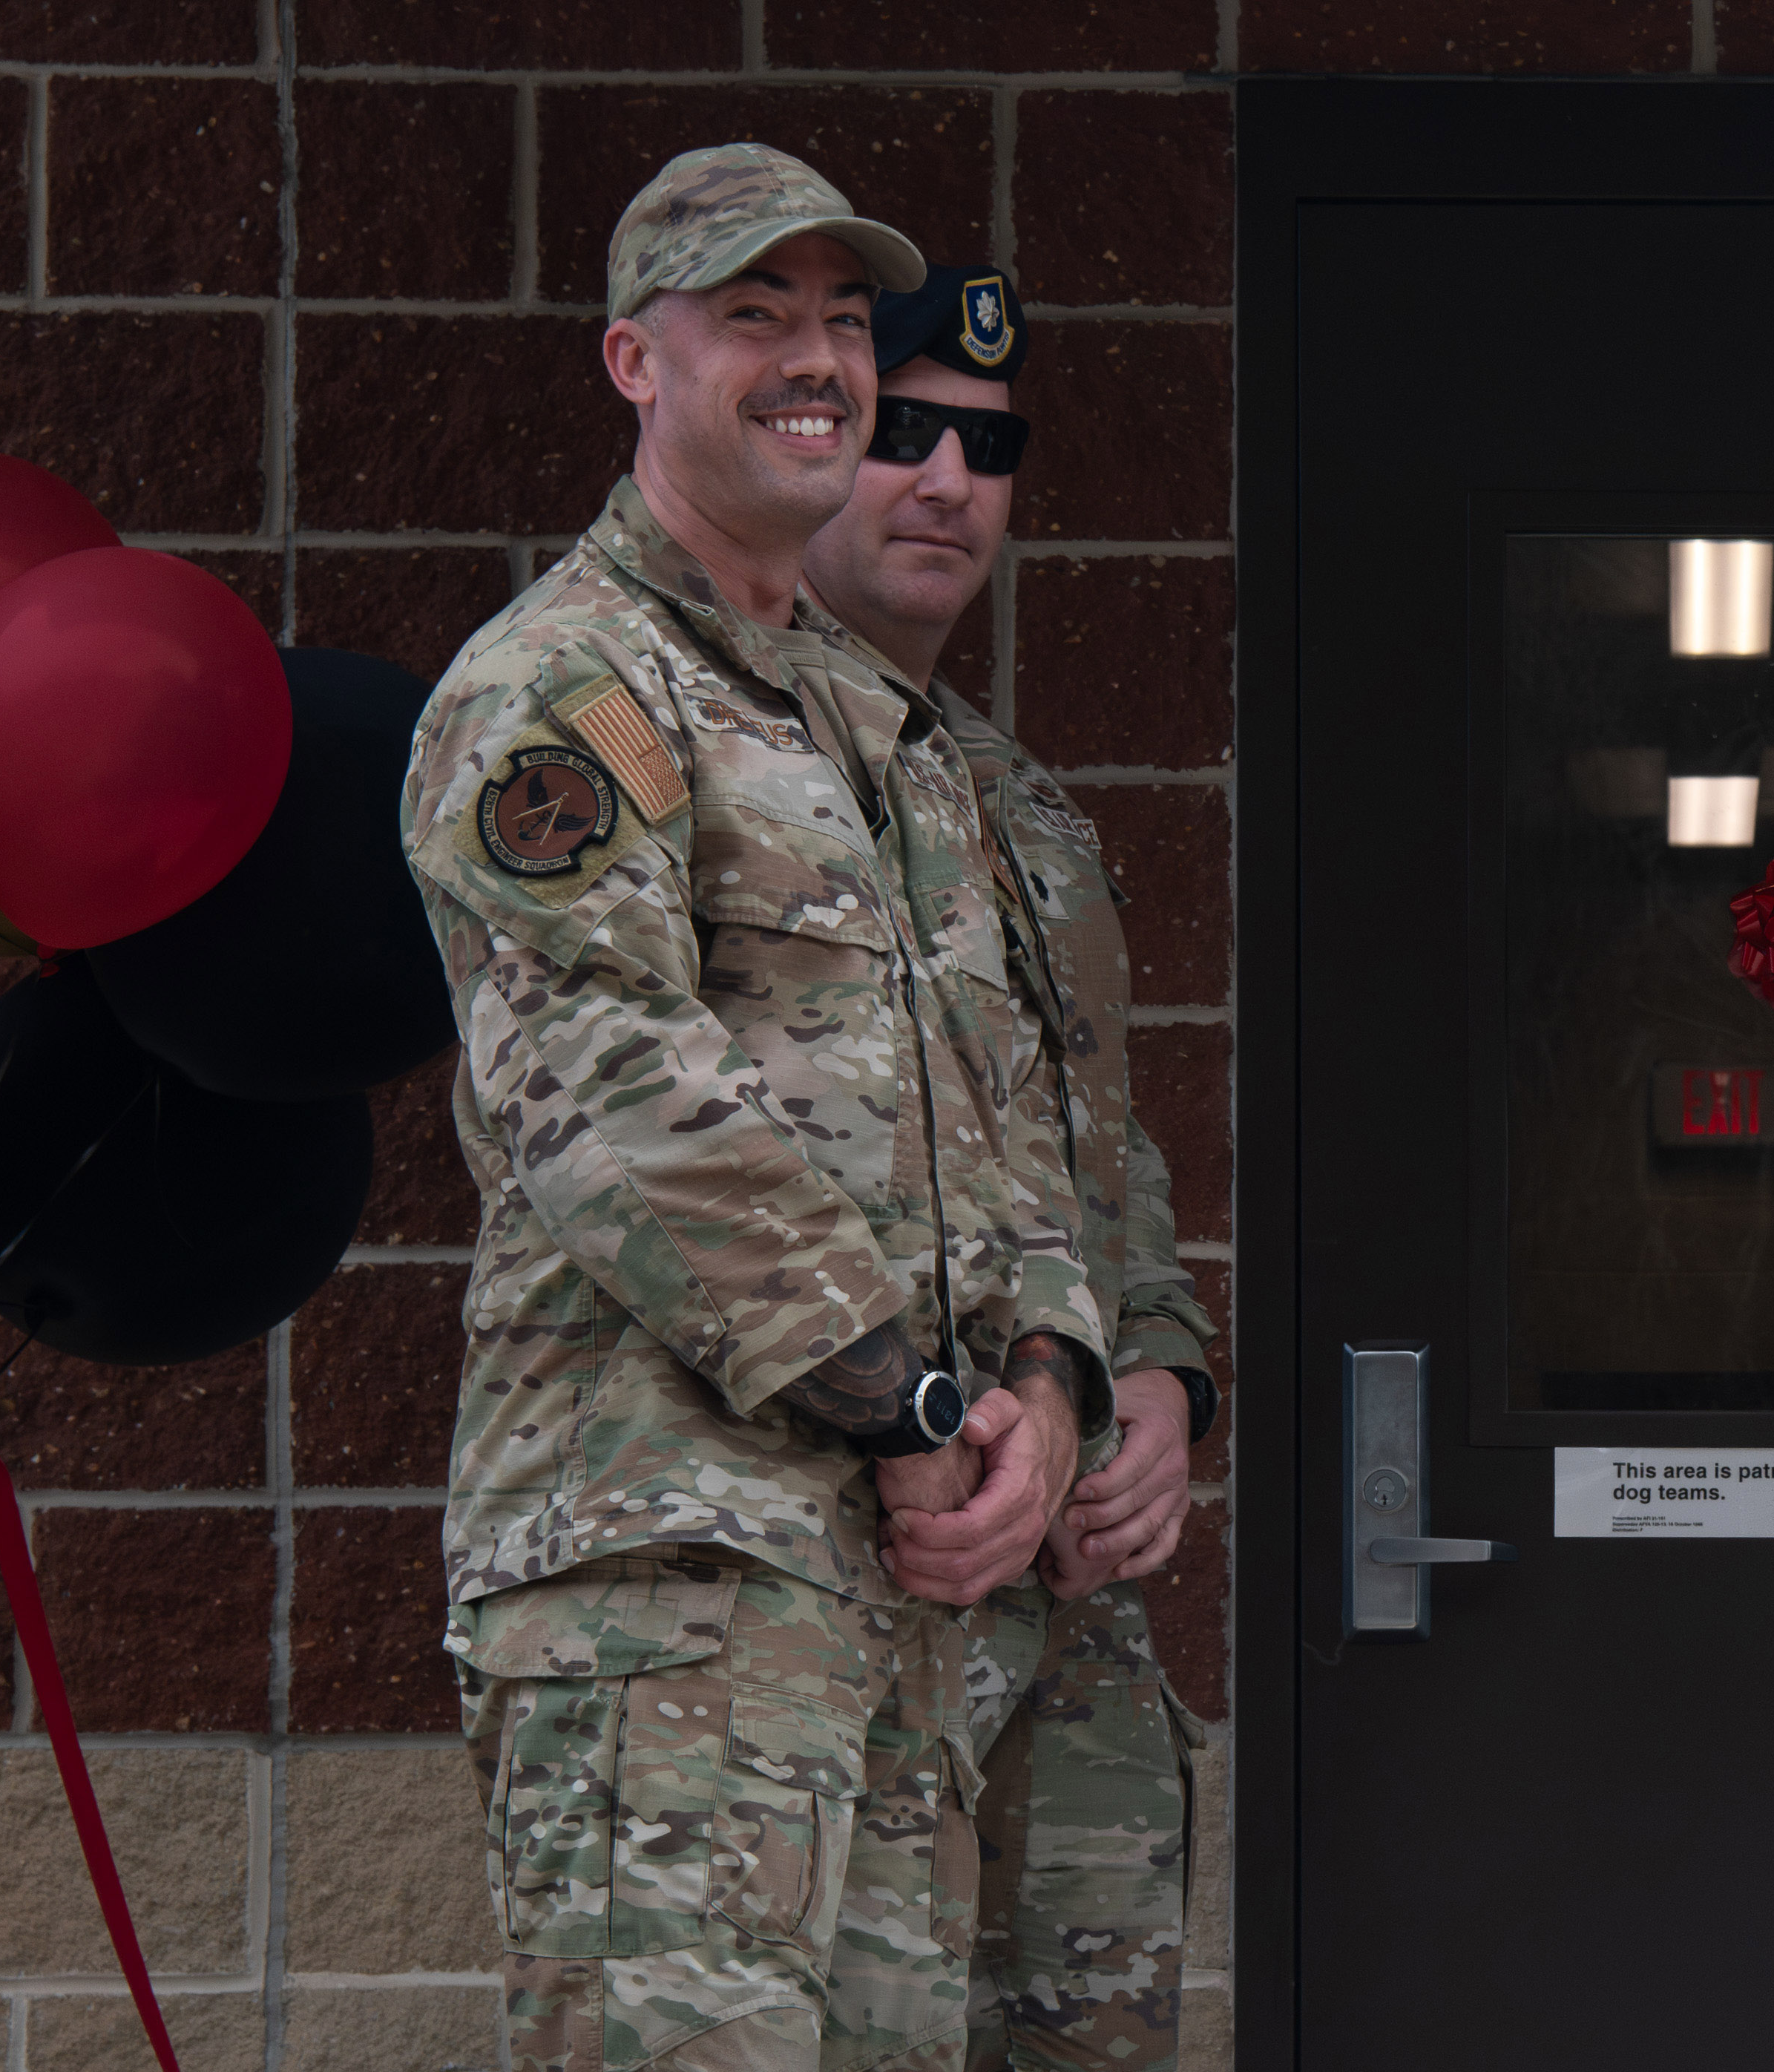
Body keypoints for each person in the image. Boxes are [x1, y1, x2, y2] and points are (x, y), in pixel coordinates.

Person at [402, 144, 1107, 2071]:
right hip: (674, 1591)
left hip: (901, 1613)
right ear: (636, 361)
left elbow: (1011, 1117)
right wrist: (909, 1400)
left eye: (831, 320)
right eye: (750, 317)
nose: (814, 360)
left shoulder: (881, 737)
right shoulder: (565, 690)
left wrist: (1048, 1386)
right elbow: (609, 1092)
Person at [797, 260, 1221, 2072]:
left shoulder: (1020, 805)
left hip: (1066, 1612)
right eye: (899, 435)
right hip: (853, 1573)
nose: (946, 483)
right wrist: (939, 1410)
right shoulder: (735, 758)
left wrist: (1165, 1372)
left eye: (987, 446)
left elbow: (1090, 1144)